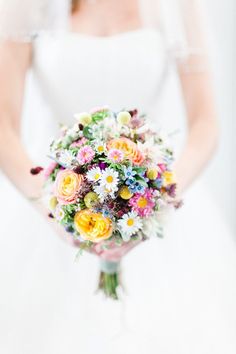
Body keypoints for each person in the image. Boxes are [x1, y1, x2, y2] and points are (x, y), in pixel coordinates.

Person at [0, 1, 235, 353]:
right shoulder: (29, 6)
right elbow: (4, 125)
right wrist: (53, 209)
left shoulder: (179, 7)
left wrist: (160, 196)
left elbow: (205, 125)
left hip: (152, 198)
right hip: (50, 203)